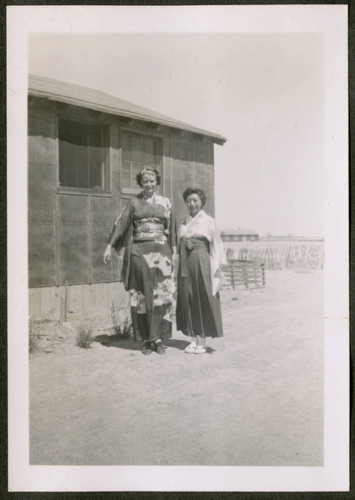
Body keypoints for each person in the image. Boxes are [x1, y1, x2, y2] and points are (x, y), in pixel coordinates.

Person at [103, 167, 176, 355]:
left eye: (152, 181)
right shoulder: (134, 203)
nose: (149, 184)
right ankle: (145, 339)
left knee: (161, 295)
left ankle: (158, 338)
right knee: (141, 296)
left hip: (161, 254)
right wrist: (109, 246)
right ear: (140, 183)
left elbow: (172, 229)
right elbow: (121, 225)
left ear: (157, 182)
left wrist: (174, 252)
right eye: (145, 181)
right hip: (139, 252)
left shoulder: (165, 203)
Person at [176, 188, 225, 354]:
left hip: (202, 260)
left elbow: (216, 245)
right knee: (188, 297)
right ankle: (193, 338)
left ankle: (202, 339)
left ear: (201, 202)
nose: (192, 204)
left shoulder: (209, 221)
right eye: (189, 200)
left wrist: (216, 268)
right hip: (185, 262)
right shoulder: (183, 222)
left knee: (201, 296)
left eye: (195, 200)